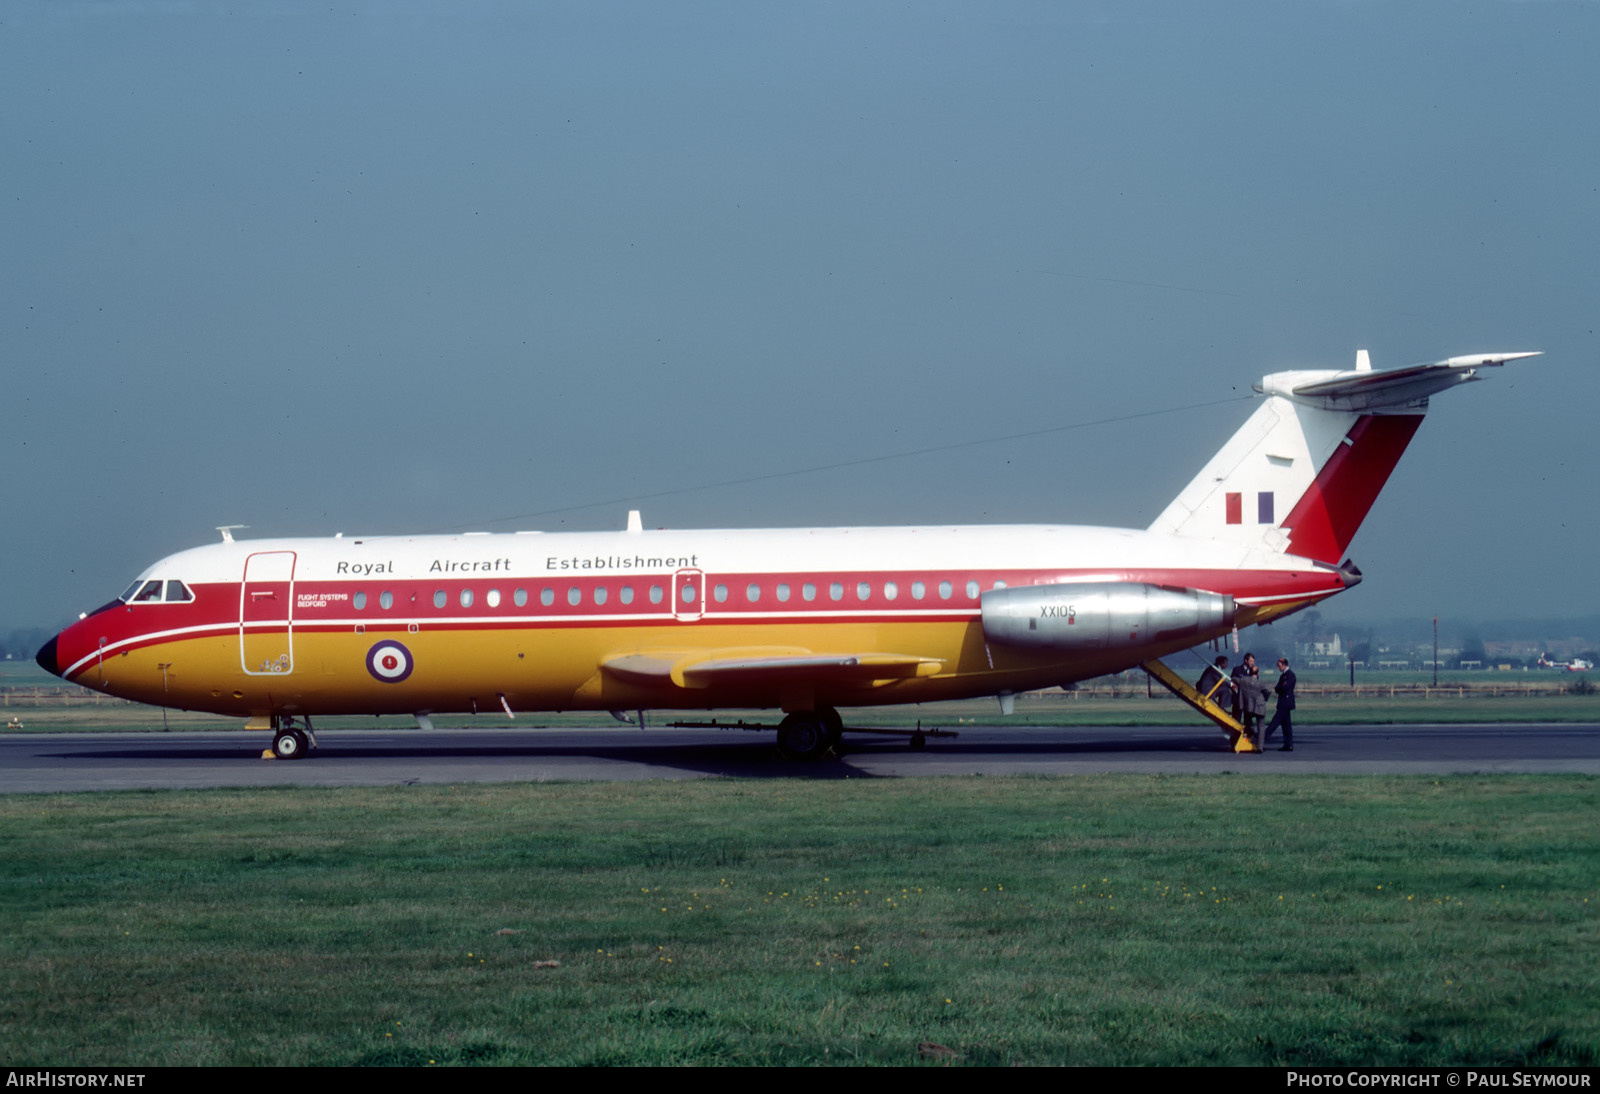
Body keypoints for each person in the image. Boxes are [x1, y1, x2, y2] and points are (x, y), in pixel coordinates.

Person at [1232, 652, 1268, 742]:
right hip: (1239, 700)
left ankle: (1247, 740)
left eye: (1253, 661)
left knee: (1248, 721)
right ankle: (1234, 741)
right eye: (1251, 661)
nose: (1253, 663)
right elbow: (1232, 681)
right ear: (1245, 660)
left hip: (1249, 701)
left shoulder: (1254, 671)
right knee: (1236, 720)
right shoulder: (1237, 670)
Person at [1264, 657, 1297, 751]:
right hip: (1283, 702)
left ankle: (1262, 739)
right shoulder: (1283, 676)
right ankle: (1288, 744)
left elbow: (1284, 687)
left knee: (1274, 722)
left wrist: (1280, 687)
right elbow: (1278, 688)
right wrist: (1280, 687)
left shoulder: (1290, 675)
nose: (1278, 668)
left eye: (1279, 666)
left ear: (1284, 665)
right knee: (1286, 725)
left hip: (1285, 703)